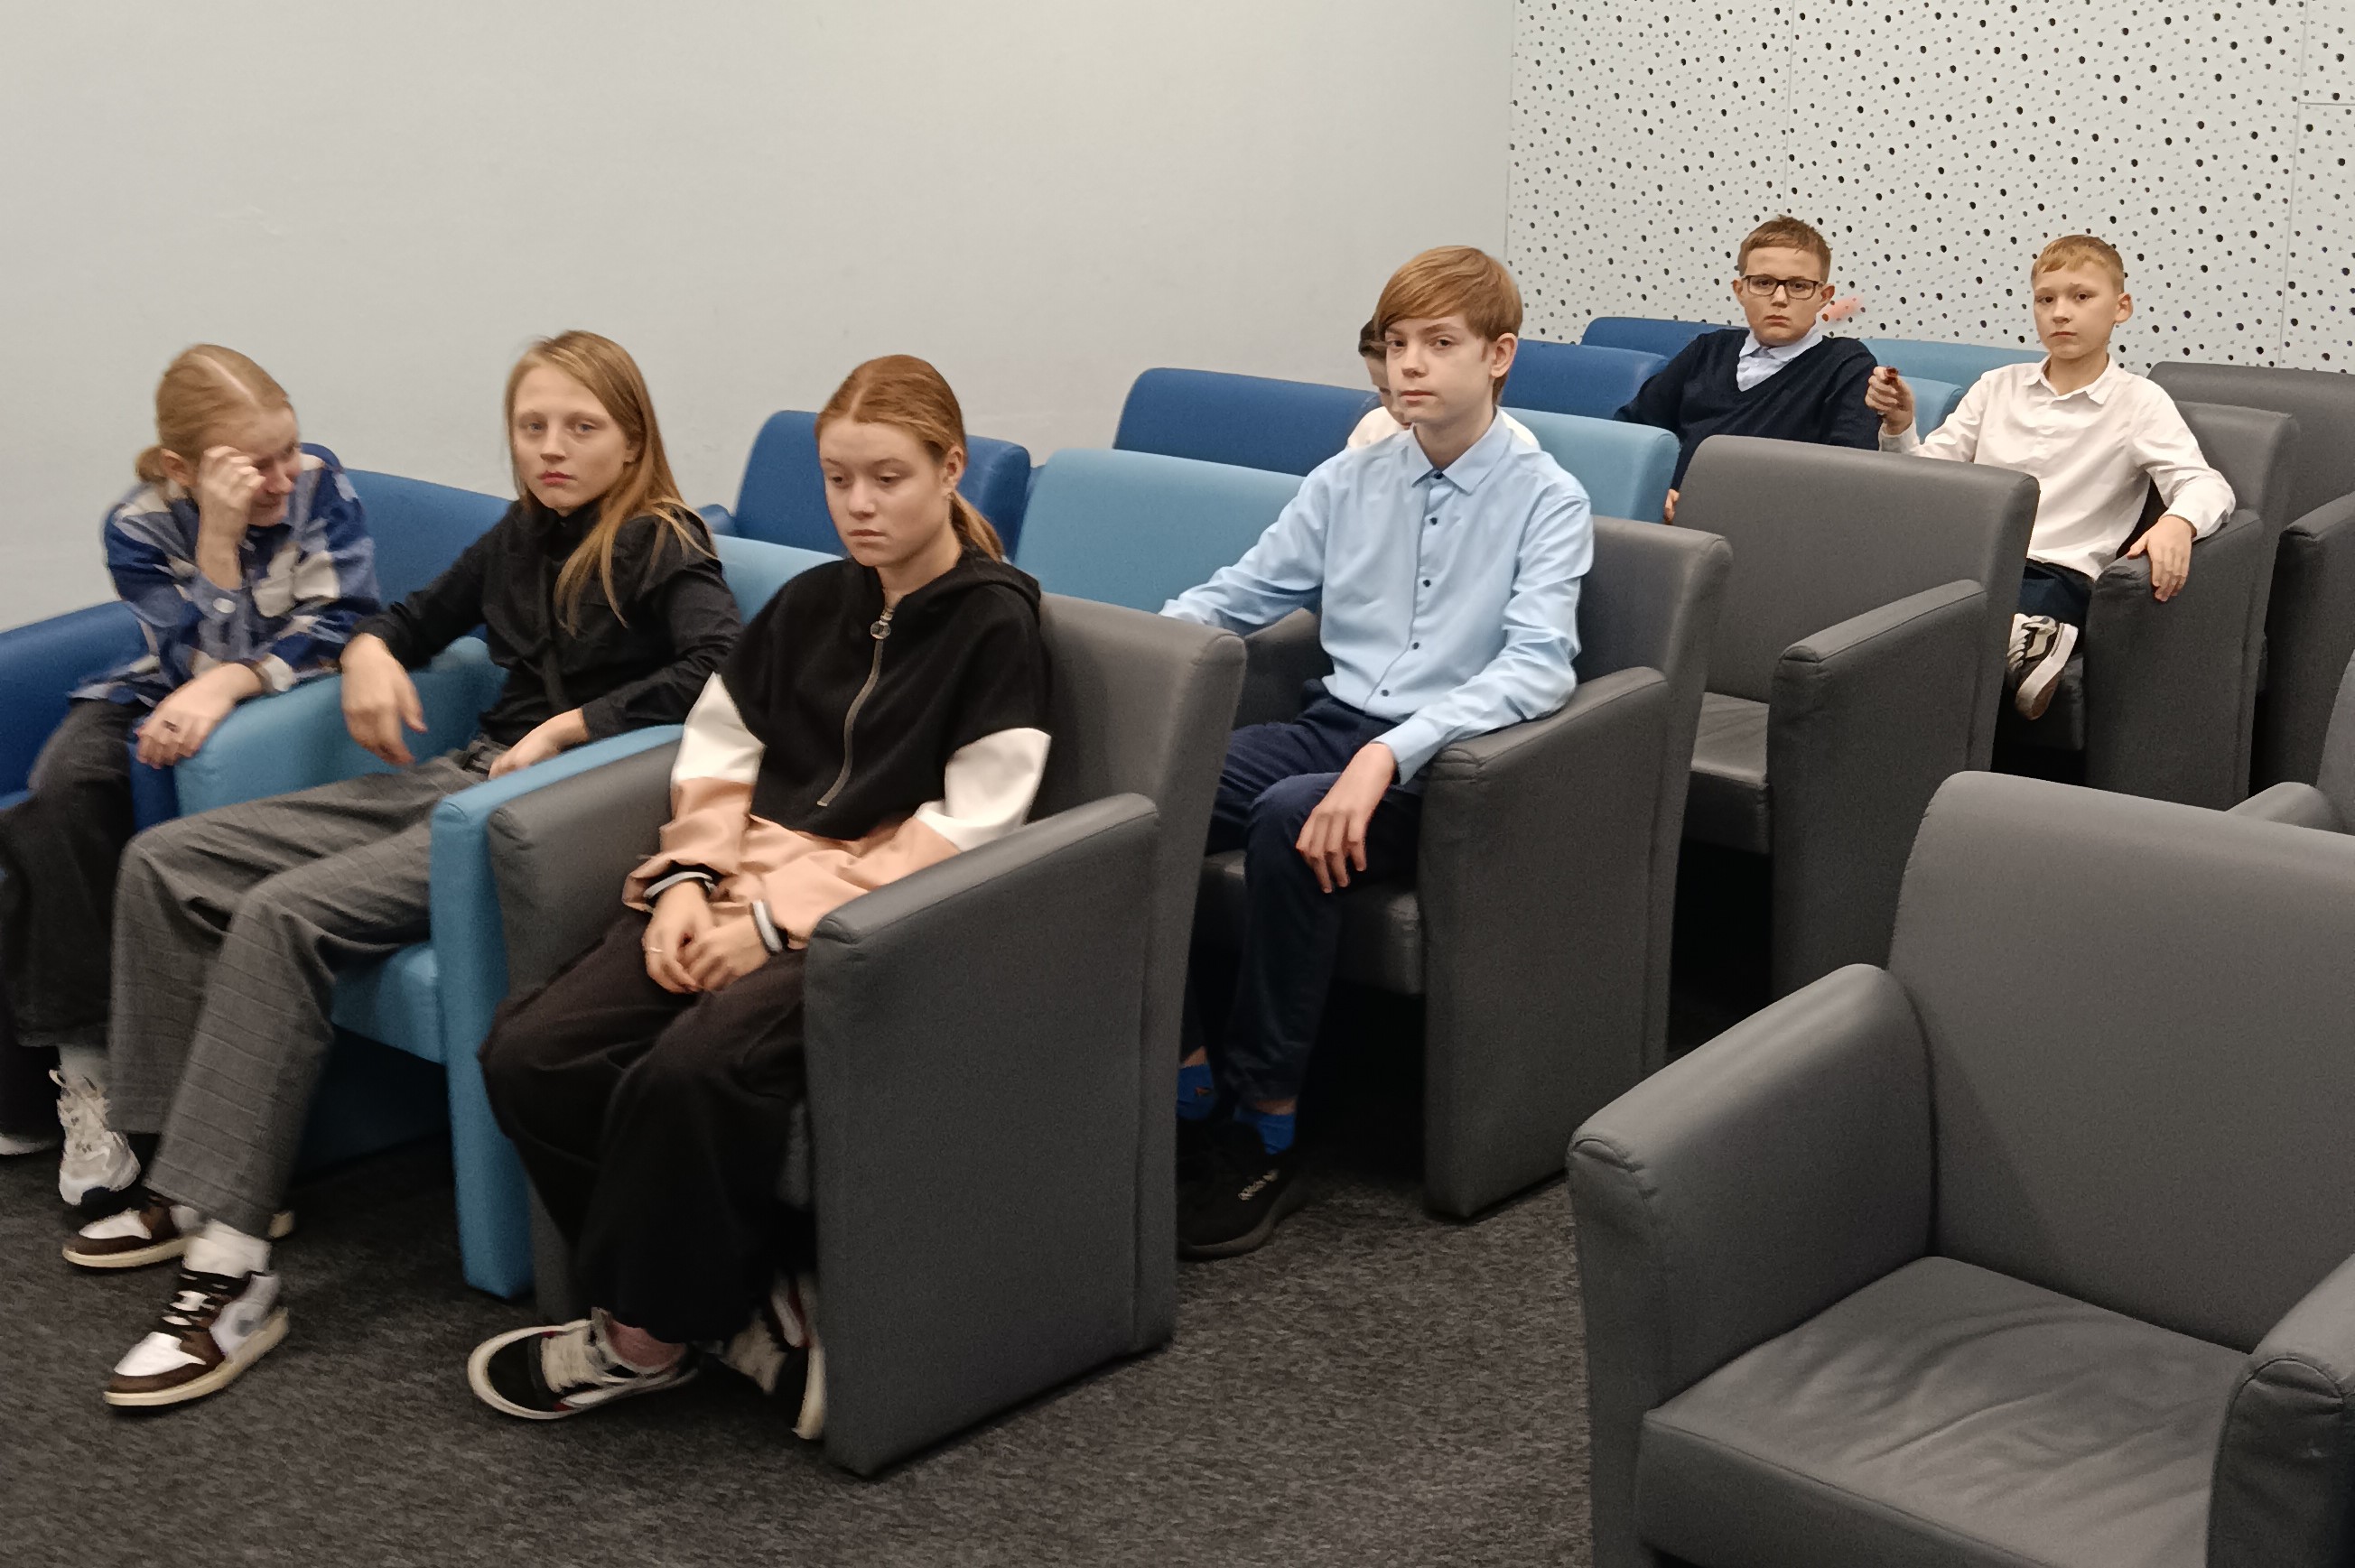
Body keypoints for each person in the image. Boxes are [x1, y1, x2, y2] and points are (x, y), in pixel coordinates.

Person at [65, 330, 740, 1409]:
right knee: (167, 864)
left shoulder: (664, 542)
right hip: (458, 779)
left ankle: (230, 1277)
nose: (551, 449)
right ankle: (180, 1178)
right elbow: (411, 616)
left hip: (539, 815)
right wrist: (373, 652)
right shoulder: (523, 534)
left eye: (581, 428)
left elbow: (724, 665)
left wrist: (569, 727)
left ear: (632, 439)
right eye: (532, 426)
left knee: (282, 916)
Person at [465, 355, 1050, 1427]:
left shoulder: (995, 624)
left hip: (866, 919)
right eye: (838, 480)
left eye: (888, 479)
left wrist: (780, 928)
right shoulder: (810, 602)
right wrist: (690, 879)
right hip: (734, 879)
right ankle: (740, 1308)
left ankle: (644, 1339)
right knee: (531, 1054)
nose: (859, 506)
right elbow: (719, 749)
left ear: (949, 469)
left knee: (692, 1072)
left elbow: (973, 822)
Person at [1163, 246, 1593, 1259]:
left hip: (1449, 763)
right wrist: (1146, 655)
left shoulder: (1548, 497)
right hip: (1330, 726)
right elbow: (1239, 594)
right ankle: (1180, 1066)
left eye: (1439, 343)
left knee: (1289, 817)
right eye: (1397, 344)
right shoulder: (1349, 479)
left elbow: (1538, 669)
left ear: (1498, 355)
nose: (1410, 365)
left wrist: (1389, 756)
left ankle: (1267, 1120)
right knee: (1149, 791)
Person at [0, 348, 377, 1205]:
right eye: (255, 466)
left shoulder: (322, 483)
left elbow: (344, 624)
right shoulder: (137, 525)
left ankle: (39, 1089)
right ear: (183, 467)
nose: (281, 478)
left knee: (70, 828)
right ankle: (86, 1069)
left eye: (288, 450)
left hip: (279, 703)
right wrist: (217, 544)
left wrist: (230, 681)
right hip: (150, 696)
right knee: (54, 806)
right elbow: (178, 668)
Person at [1866, 234, 2235, 719]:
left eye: (2081, 297)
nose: (2061, 313)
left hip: (2059, 573)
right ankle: (2020, 640)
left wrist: (2177, 522)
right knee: (1890, 612)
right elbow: (1929, 480)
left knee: (1952, 631)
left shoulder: (2139, 401)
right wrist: (1899, 427)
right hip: (1970, 560)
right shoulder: (1997, 386)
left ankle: (2025, 636)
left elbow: (2206, 484)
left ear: (2120, 308)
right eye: (2046, 300)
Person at [1614, 215, 1881, 521]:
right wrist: (1656, 487)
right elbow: (1633, 431)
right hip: (1668, 521)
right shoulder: (1708, 350)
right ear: (1740, 290)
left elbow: (1848, 478)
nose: (1779, 299)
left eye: (1798, 286)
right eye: (1763, 283)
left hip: (1771, 528)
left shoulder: (1846, 365)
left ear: (1824, 296)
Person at [1347, 313, 1537, 451]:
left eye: (1419, 391)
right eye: (1385, 391)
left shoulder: (1517, 448)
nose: (1399, 408)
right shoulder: (1374, 428)